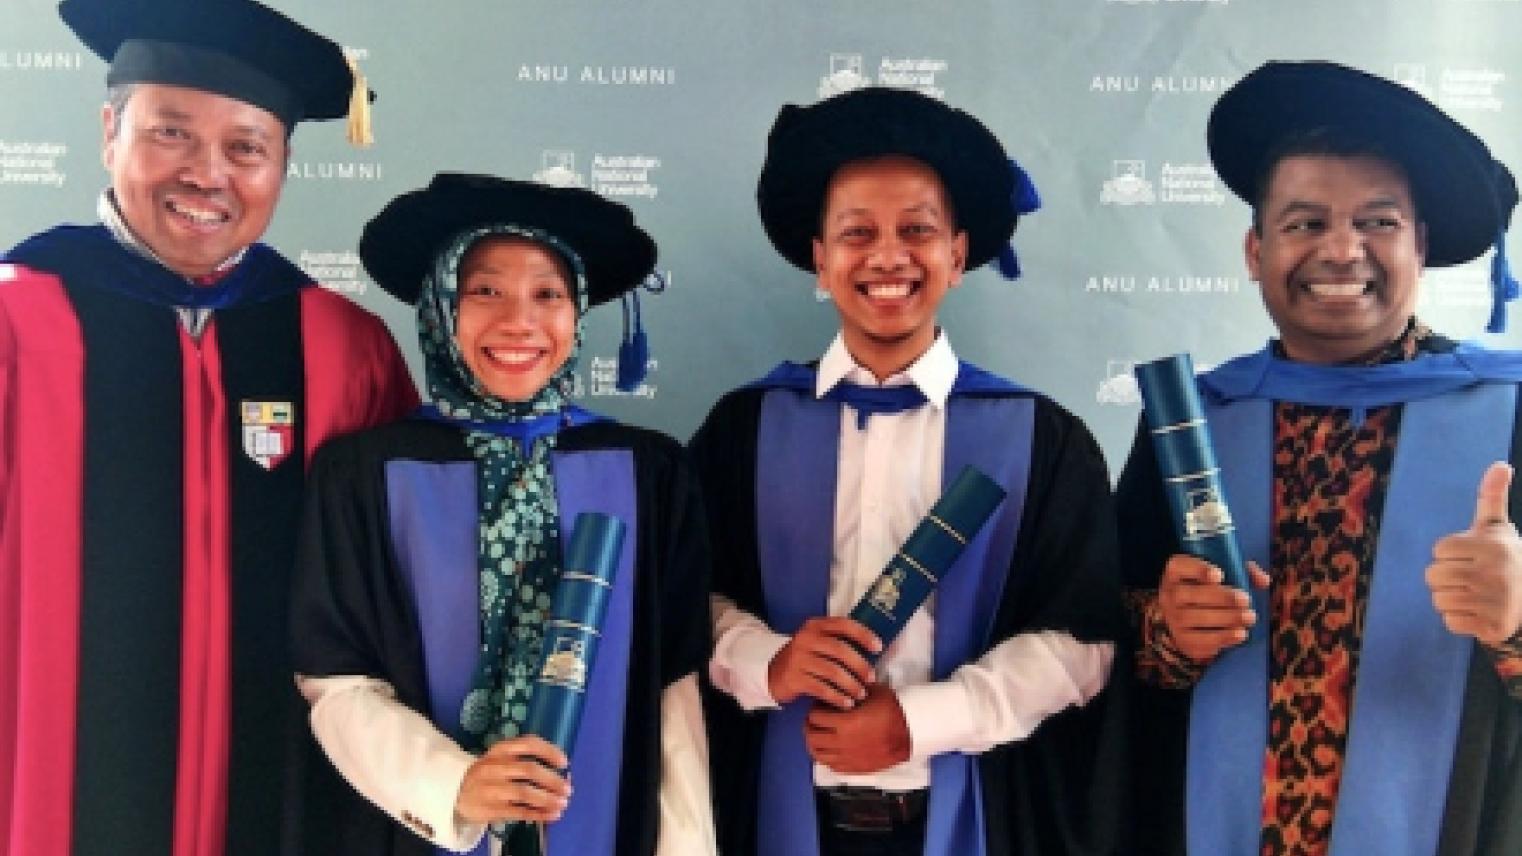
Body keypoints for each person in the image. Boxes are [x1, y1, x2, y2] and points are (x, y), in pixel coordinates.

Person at [0, 1, 418, 854]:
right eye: (171, 134)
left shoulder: (344, 348)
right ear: (109, 130)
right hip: (40, 780)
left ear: (282, 165)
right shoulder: (15, 322)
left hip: (287, 789)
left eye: (245, 148)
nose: (206, 174)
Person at [692, 86, 1127, 856]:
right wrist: (773, 662)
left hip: (969, 812)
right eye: (856, 233)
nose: (887, 256)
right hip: (777, 812)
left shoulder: (1040, 437)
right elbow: (685, 599)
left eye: (917, 231)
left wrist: (922, 721)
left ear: (957, 255)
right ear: (820, 260)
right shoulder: (745, 429)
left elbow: (1083, 641)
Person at [1117, 60, 1522, 856]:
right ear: (1254, 248)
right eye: (1305, 223)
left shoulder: (1509, 414)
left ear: (1422, 244)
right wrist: (1165, 630)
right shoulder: (1190, 425)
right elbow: (1101, 652)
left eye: (1378, 222)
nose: (1342, 250)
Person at [290, 173, 715, 856]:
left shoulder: (649, 471)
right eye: (484, 290)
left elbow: (677, 689)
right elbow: (335, 678)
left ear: (576, 314)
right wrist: (454, 785)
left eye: (548, 294)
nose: (519, 321)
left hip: (608, 824)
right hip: (414, 823)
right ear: (439, 308)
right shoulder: (364, 473)